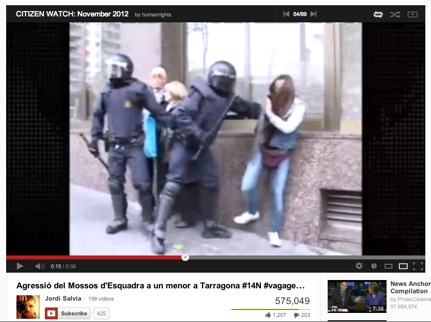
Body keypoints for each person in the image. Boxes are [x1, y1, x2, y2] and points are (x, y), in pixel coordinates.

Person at [150, 60, 262, 254]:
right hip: (184, 143)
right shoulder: (200, 92)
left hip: (200, 149)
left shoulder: (229, 98)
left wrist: (269, 108)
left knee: (211, 182)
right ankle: (158, 231)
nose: (225, 85)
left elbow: (248, 108)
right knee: (173, 184)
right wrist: (199, 134)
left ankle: (210, 225)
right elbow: (181, 114)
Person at [88, 53, 174, 234]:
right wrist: (94, 138)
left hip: (135, 144)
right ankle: (120, 218)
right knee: (114, 183)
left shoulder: (139, 89)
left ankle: (148, 219)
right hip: (115, 146)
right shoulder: (106, 90)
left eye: (115, 68)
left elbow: (158, 112)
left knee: (143, 183)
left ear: (125, 69)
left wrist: (177, 125)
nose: (111, 72)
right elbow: (97, 114)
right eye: (110, 68)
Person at [232, 74, 307, 247]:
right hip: (262, 149)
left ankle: (275, 231)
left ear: (289, 89)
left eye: (281, 88)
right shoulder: (270, 101)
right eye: (275, 88)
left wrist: (269, 113)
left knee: (277, 193)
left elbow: (288, 128)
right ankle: (252, 211)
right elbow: (261, 126)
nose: (277, 91)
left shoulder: (299, 106)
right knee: (247, 185)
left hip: (282, 153)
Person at [163, 81, 201, 228]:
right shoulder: (174, 107)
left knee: (185, 185)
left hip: (182, 149)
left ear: (174, 93)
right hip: (177, 149)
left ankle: (188, 217)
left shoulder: (179, 109)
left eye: (167, 92)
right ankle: (184, 215)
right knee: (183, 184)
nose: (165, 94)